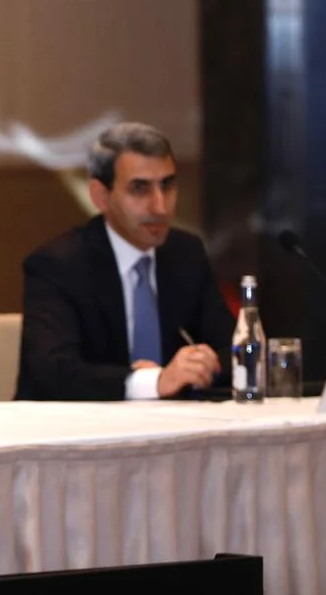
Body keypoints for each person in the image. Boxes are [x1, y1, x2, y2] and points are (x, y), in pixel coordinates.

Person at [14, 122, 234, 401]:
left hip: (172, 421)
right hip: (79, 423)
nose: (160, 207)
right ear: (101, 196)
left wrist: (203, 365)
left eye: (167, 186)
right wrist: (152, 382)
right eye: (140, 189)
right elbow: (54, 372)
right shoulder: (58, 265)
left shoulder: (185, 254)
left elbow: (234, 349)